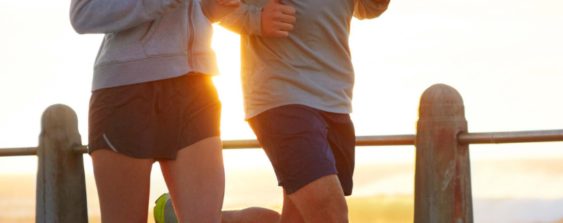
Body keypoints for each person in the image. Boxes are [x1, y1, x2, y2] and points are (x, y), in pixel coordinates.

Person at [67, 0, 277, 221]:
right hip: (126, 89)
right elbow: (83, 15)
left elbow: (197, 11)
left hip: (196, 84)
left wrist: (219, 6)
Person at [192, 0, 389, 222]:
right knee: (330, 214)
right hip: (282, 95)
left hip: (335, 100)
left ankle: (196, 217)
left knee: (300, 219)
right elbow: (206, 5)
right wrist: (255, 19)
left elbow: (366, 7)